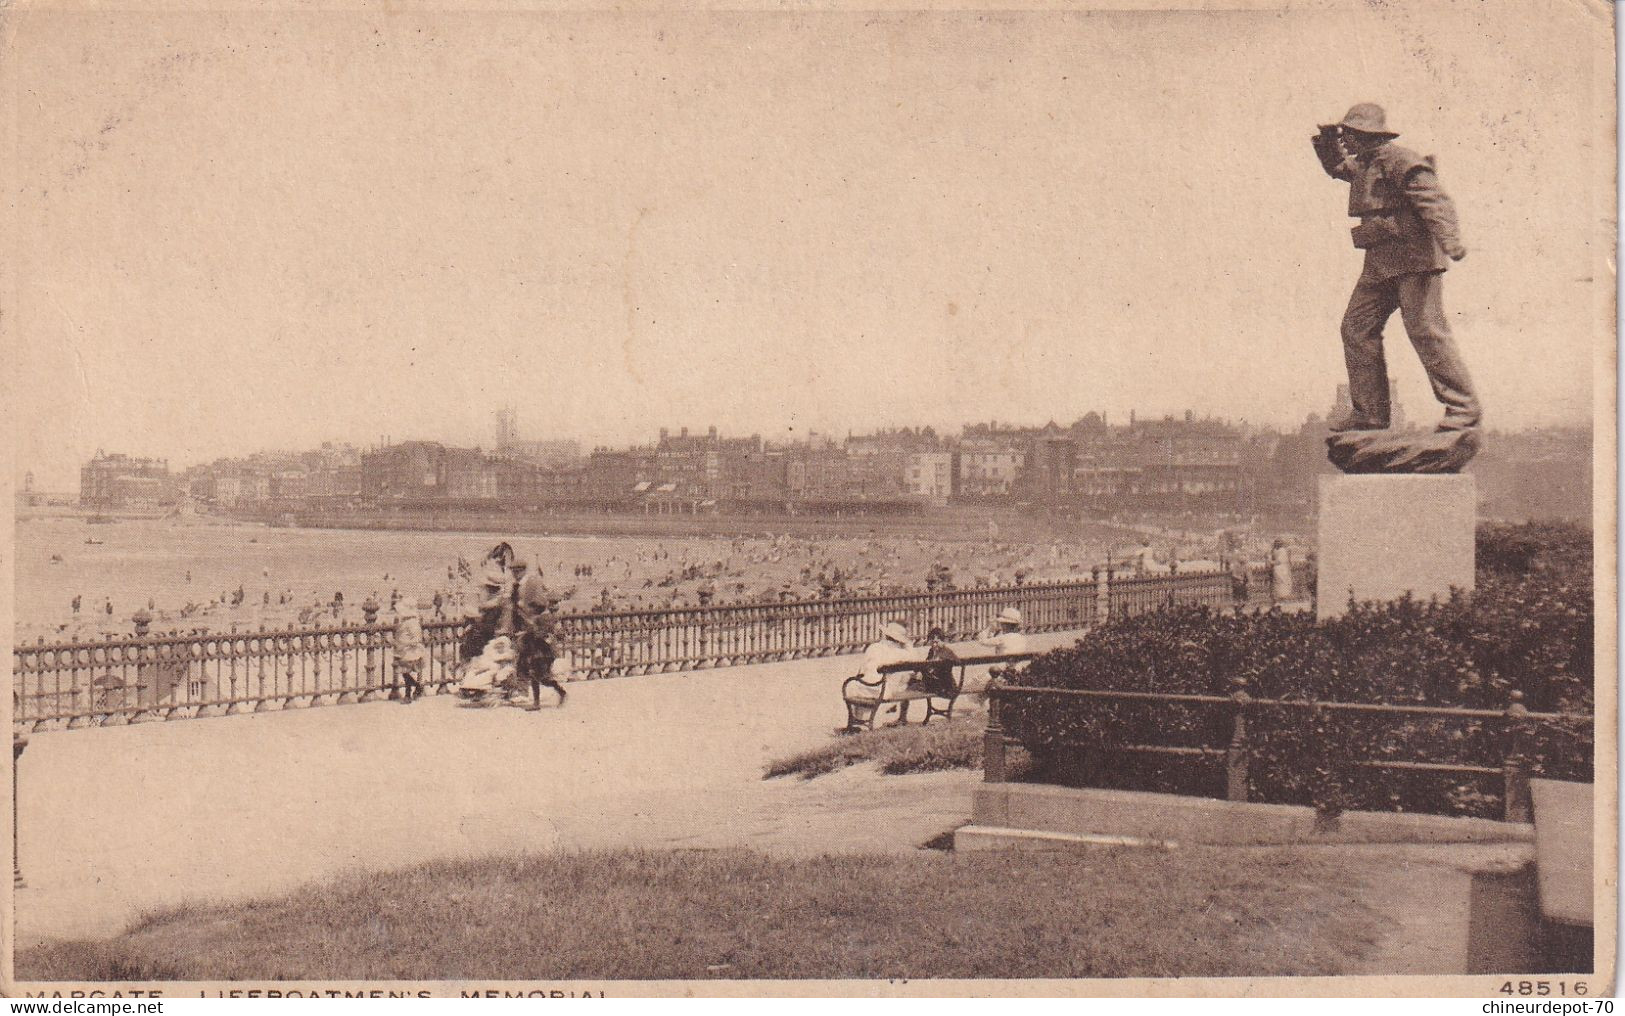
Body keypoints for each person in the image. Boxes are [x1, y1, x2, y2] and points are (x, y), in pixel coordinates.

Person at [1312, 103, 1479, 432]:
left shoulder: (1401, 160)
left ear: (1368, 135)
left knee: (1426, 331)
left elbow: (1434, 200)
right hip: (1380, 263)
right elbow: (1336, 166)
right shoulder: (1364, 164)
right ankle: (1370, 414)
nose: (1345, 141)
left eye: (1350, 134)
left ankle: (1463, 409)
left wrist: (1450, 241)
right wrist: (1327, 140)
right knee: (1356, 329)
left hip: (1415, 260)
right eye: (1344, 134)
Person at [508, 556, 567, 710]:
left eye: (517, 571)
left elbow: (541, 605)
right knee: (529, 668)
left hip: (538, 640)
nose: (515, 574)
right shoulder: (515, 587)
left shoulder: (532, 583)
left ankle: (558, 693)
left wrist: (532, 618)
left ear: (523, 570)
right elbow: (515, 610)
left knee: (541, 675)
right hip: (528, 634)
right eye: (513, 571)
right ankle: (535, 701)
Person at [848, 620, 921, 727]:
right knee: (902, 683)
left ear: (886, 635)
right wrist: (907, 644)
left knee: (856, 685)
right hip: (884, 690)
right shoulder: (902, 653)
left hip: (866, 687)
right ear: (899, 640)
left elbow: (862, 671)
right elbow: (915, 662)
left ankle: (858, 722)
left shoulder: (873, 647)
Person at [392, 597, 429, 703]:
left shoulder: (412, 623)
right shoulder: (407, 621)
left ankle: (416, 688)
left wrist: (404, 644)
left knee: (405, 673)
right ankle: (410, 693)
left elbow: (417, 638)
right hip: (404, 652)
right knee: (405, 674)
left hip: (410, 653)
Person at [1271, 539, 1295, 604]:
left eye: (1278, 543)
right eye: (1276, 543)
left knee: (1282, 582)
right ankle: (1279, 597)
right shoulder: (1275, 550)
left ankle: (1283, 597)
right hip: (1278, 569)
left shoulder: (1282, 550)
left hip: (1282, 568)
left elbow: (1279, 561)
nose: (1276, 544)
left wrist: (1271, 562)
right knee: (1279, 583)